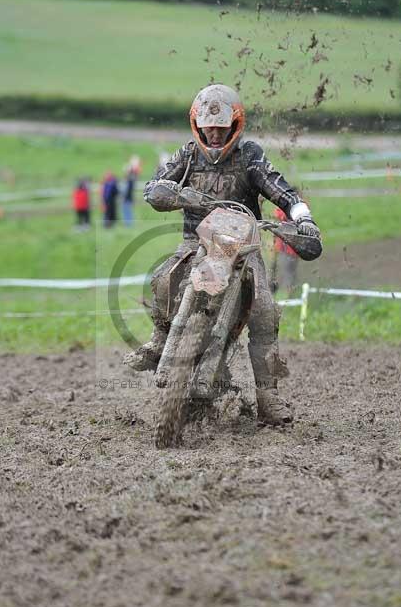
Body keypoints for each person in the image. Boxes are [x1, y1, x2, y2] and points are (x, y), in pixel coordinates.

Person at [123, 84, 322, 426]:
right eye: (208, 128)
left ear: (234, 125)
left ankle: (267, 395)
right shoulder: (187, 155)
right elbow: (154, 185)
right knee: (163, 280)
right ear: (198, 126)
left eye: (220, 128)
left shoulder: (250, 155)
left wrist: (302, 217)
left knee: (264, 312)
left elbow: (282, 190)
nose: (214, 135)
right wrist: (166, 192)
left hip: (243, 245)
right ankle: (159, 339)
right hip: (195, 241)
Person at [271, 206, 299, 294]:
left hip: (290, 247)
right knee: (281, 269)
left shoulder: (297, 206)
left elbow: (279, 215)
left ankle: (288, 292)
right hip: (283, 246)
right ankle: (280, 289)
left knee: (288, 271)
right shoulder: (299, 204)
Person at [122, 155, 141, 226]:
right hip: (128, 197)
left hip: (127, 198)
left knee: (127, 210)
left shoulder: (130, 179)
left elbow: (127, 190)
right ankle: (128, 223)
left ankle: (128, 223)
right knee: (127, 210)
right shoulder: (132, 178)